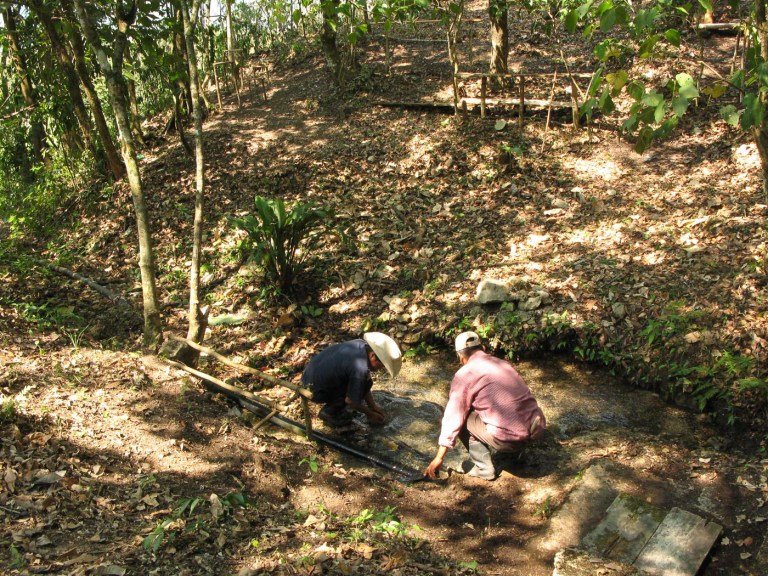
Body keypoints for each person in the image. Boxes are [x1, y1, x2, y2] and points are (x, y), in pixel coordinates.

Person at [424, 331, 546, 481]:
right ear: (483, 348)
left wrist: (439, 457)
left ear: (461, 357)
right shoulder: (502, 363)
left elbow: (453, 417)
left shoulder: (464, 375)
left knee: (463, 418)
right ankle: (516, 452)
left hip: (508, 440)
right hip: (535, 428)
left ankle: (484, 469)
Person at [302, 332, 402, 427]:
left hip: (308, 376)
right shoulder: (360, 368)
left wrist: (373, 406)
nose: (380, 369)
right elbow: (351, 401)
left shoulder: (360, 344)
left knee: (366, 383)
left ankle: (334, 404)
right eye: (381, 365)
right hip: (314, 390)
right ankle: (329, 412)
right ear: (372, 356)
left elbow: (365, 383)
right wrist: (370, 414)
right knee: (355, 392)